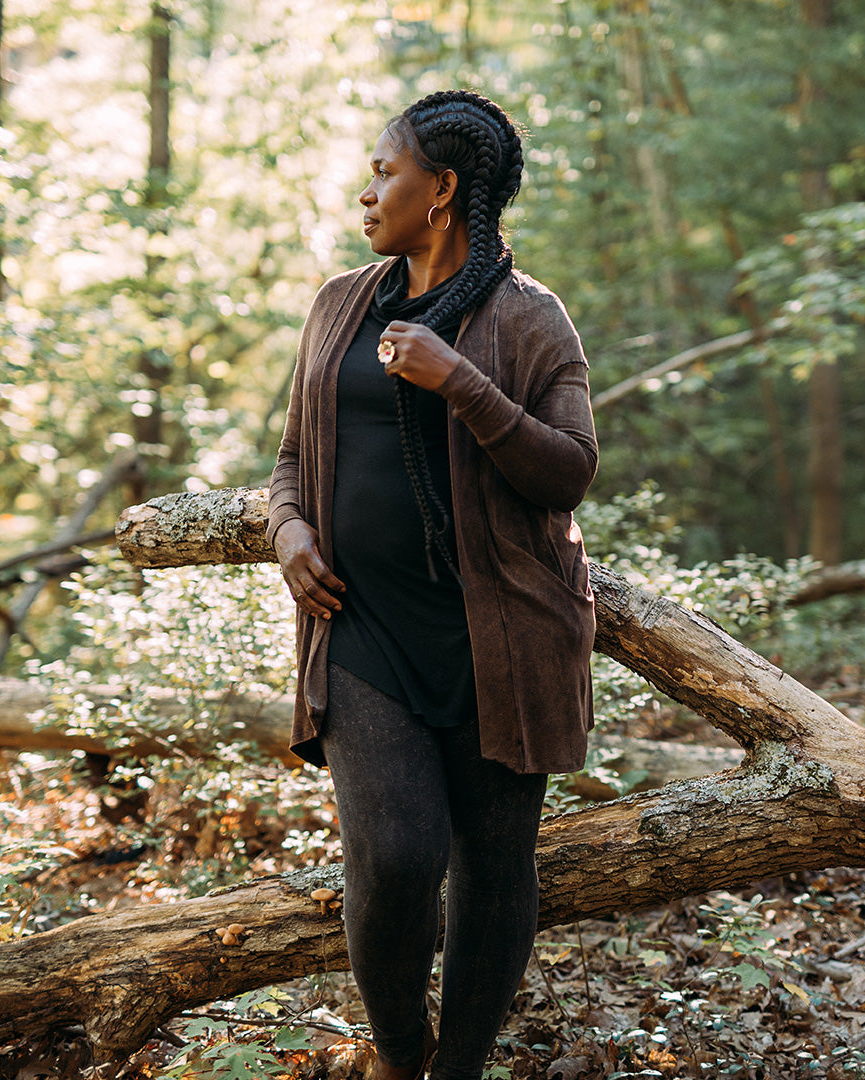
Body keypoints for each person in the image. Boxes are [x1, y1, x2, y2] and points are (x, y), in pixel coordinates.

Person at [268, 89, 597, 1080]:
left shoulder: (530, 317)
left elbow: (569, 470)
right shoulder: (341, 304)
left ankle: (459, 1069)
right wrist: (286, 532)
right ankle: (399, 1054)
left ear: (442, 189)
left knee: (495, 870)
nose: (369, 191)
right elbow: (290, 459)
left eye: (386, 172)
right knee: (400, 856)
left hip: (503, 641)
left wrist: (462, 381)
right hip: (363, 630)